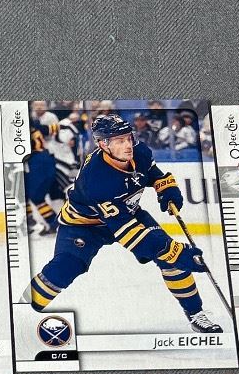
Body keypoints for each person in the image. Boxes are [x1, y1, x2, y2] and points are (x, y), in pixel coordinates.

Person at [27, 113, 221, 332]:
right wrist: (176, 251)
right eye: (119, 141)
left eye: (128, 138)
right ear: (103, 144)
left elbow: (153, 173)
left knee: (170, 259)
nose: (128, 145)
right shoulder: (96, 179)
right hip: (83, 225)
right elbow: (129, 234)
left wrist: (166, 188)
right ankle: (23, 308)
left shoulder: (140, 151)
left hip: (127, 211)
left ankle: (195, 314)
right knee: (65, 268)